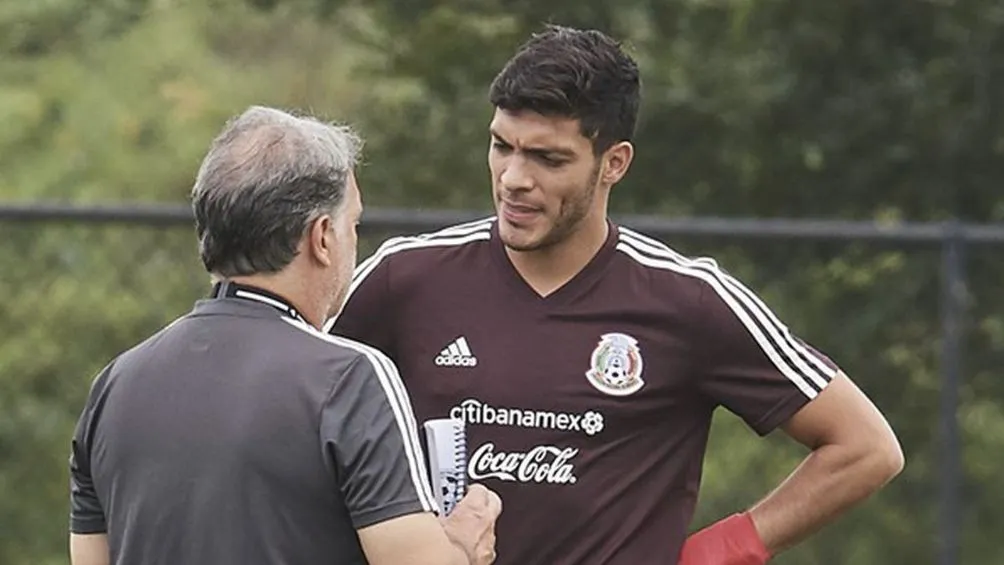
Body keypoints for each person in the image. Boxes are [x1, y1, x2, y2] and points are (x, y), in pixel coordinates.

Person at [324, 25, 904, 565]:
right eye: (503, 146)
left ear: (614, 164)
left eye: (548, 158)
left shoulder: (687, 300)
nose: (513, 178)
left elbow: (865, 448)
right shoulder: (407, 275)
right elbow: (285, 406)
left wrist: (718, 551)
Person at [67, 106, 502, 565]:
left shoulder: (115, 384)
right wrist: (463, 546)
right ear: (321, 237)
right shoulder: (350, 377)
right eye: (353, 224)